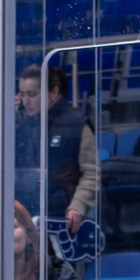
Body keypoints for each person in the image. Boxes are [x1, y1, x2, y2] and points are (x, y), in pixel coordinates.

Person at [15, 65, 99, 234]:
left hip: (63, 218)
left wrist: (78, 206)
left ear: (53, 92)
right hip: (24, 214)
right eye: (22, 95)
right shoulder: (20, 126)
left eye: (32, 94)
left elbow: (92, 173)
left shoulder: (77, 123)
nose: (26, 101)